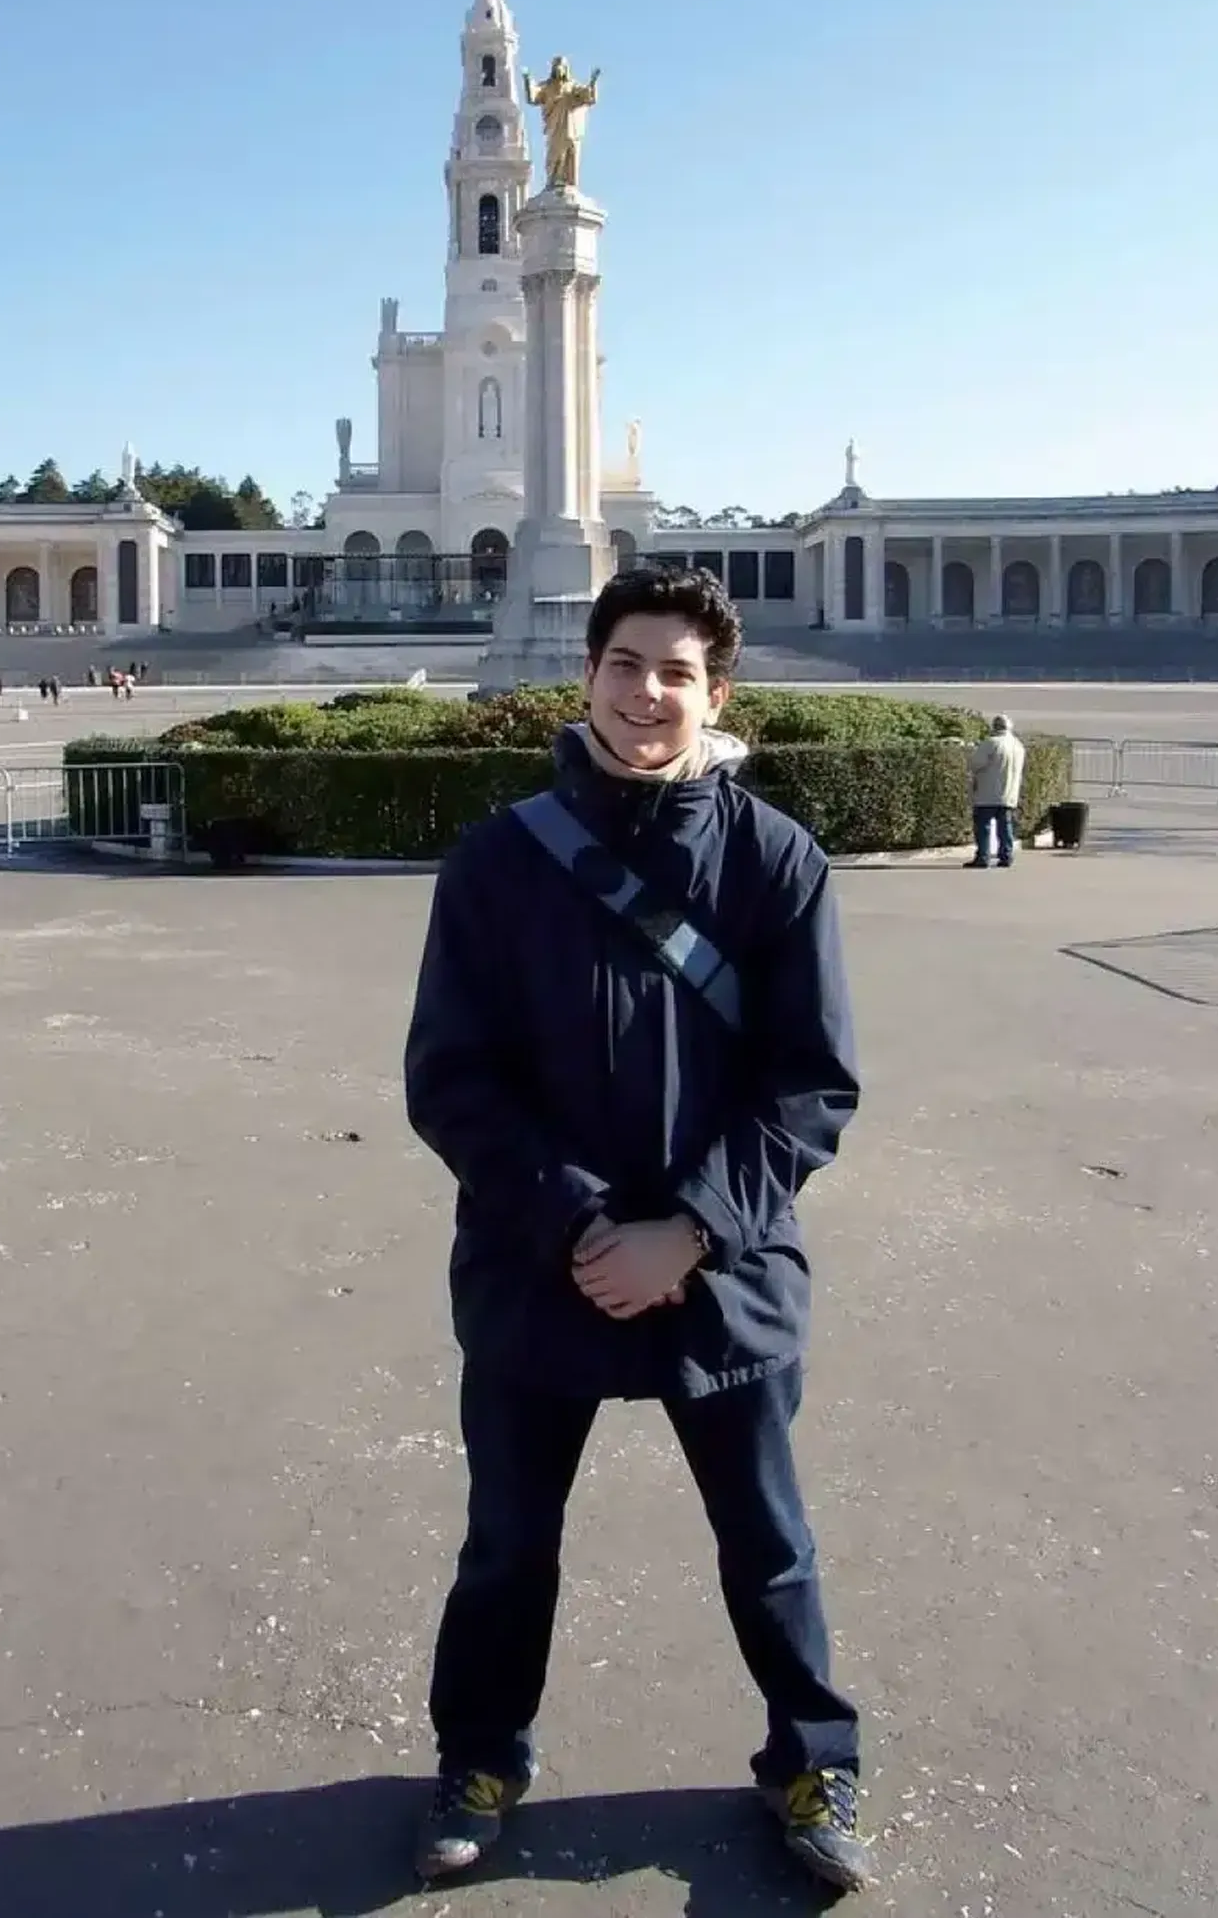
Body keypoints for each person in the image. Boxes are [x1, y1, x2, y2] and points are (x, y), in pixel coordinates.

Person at [404, 566, 870, 1895]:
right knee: (507, 1541)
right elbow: (453, 1077)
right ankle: (481, 1753)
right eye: (625, 662)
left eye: (677, 671)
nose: (647, 690)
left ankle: (814, 1754)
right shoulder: (501, 860)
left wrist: (693, 1231)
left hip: (722, 1277)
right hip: (538, 1269)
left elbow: (811, 1083)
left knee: (769, 1544)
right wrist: (579, 1223)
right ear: (589, 671)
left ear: (715, 692)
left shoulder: (775, 860)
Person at [965, 713, 1026, 869]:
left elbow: (976, 764)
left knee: (983, 826)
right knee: (1005, 826)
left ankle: (983, 857)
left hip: (988, 792)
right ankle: (1006, 856)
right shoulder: (1018, 745)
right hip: (1009, 793)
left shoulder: (991, 743)